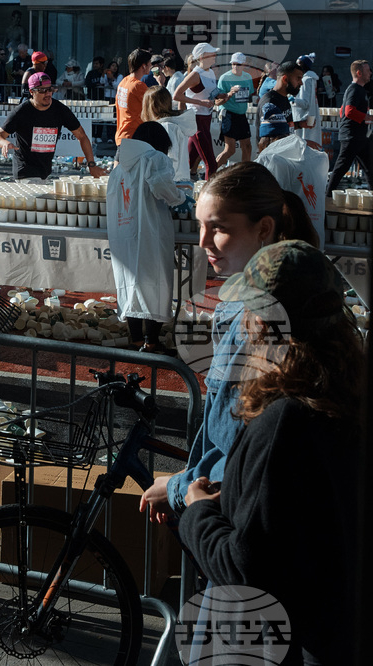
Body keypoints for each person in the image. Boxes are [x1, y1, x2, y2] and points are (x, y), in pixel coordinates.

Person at [178, 239, 361, 665]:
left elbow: (247, 570)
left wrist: (197, 511)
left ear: (264, 323)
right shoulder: (347, 396)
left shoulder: (286, 419)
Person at [139, 161, 318, 524]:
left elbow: (235, 444)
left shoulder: (254, 320)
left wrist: (178, 487)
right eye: (200, 226)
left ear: (263, 228)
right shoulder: (302, 297)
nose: (202, 242)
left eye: (218, 228)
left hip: (238, 518)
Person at [107, 121, 190, 352]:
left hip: (124, 231)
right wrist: (180, 198)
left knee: (130, 284)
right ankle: (152, 342)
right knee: (157, 284)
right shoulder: (155, 158)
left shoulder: (119, 168)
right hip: (150, 231)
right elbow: (162, 186)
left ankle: (136, 339)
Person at [0, 72, 107, 182]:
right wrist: (5, 143)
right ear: (32, 92)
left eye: (50, 89)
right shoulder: (21, 111)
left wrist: (91, 165)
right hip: (25, 171)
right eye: (42, 90)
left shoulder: (60, 110)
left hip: (45, 171)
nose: (47, 94)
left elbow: (82, 136)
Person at [256, 114, 329, 249]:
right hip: (315, 240)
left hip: (285, 245)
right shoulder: (316, 157)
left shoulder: (271, 159)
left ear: (265, 139)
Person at [172, 42, 223, 180]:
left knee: (187, 162)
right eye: (212, 54)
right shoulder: (195, 75)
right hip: (196, 121)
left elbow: (211, 93)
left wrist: (223, 95)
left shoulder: (210, 72)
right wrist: (200, 102)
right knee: (211, 164)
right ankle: (208, 192)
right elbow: (176, 95)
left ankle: (177, 183)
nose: (215, 56)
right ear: (202, 57)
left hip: (206, 120)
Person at [326, 59, 373, 195]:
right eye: (367, 70)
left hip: (359, 137)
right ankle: (327, 196)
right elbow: (348, 111)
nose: (370, 73)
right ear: (359, 73)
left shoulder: (357, 89)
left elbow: (342, 110)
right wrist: (368, 118)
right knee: (341, 168)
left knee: (370, 169)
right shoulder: (355, 89)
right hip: (352, 137)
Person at [141, 86, 197, 183]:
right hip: (177, 181)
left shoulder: (167, 127)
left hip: (172, 183)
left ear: (150, 107)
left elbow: (171, 159)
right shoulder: (171, 125)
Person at [215, 52, 255, 168]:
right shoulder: (224, 78)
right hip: (228, 114)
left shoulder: (247, 77)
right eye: (233, 64)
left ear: (244, 65)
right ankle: (211, 172)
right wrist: (230, 93)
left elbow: (250, 94)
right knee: (230, 150)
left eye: (238, 64)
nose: (235, 67)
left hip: (241, 114)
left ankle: (244, 172)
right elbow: (217, 102)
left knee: (247, 146)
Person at [114, 49, 152, 147]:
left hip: (122, 135)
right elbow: (155, 106)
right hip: (134, 137)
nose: (151, 66)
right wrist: (161, 84)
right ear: (144, 66)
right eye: (150, 63)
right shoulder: (139, 86)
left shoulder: (123, 81)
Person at [290, 53, 322, 150]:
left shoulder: (305, 80)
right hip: (310, 115)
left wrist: (292, 100)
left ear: (304, 65)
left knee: (304, 144)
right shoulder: (311, 79)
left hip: (304, 117)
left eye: (298, 64)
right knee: (310, 141)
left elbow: (305, 103)